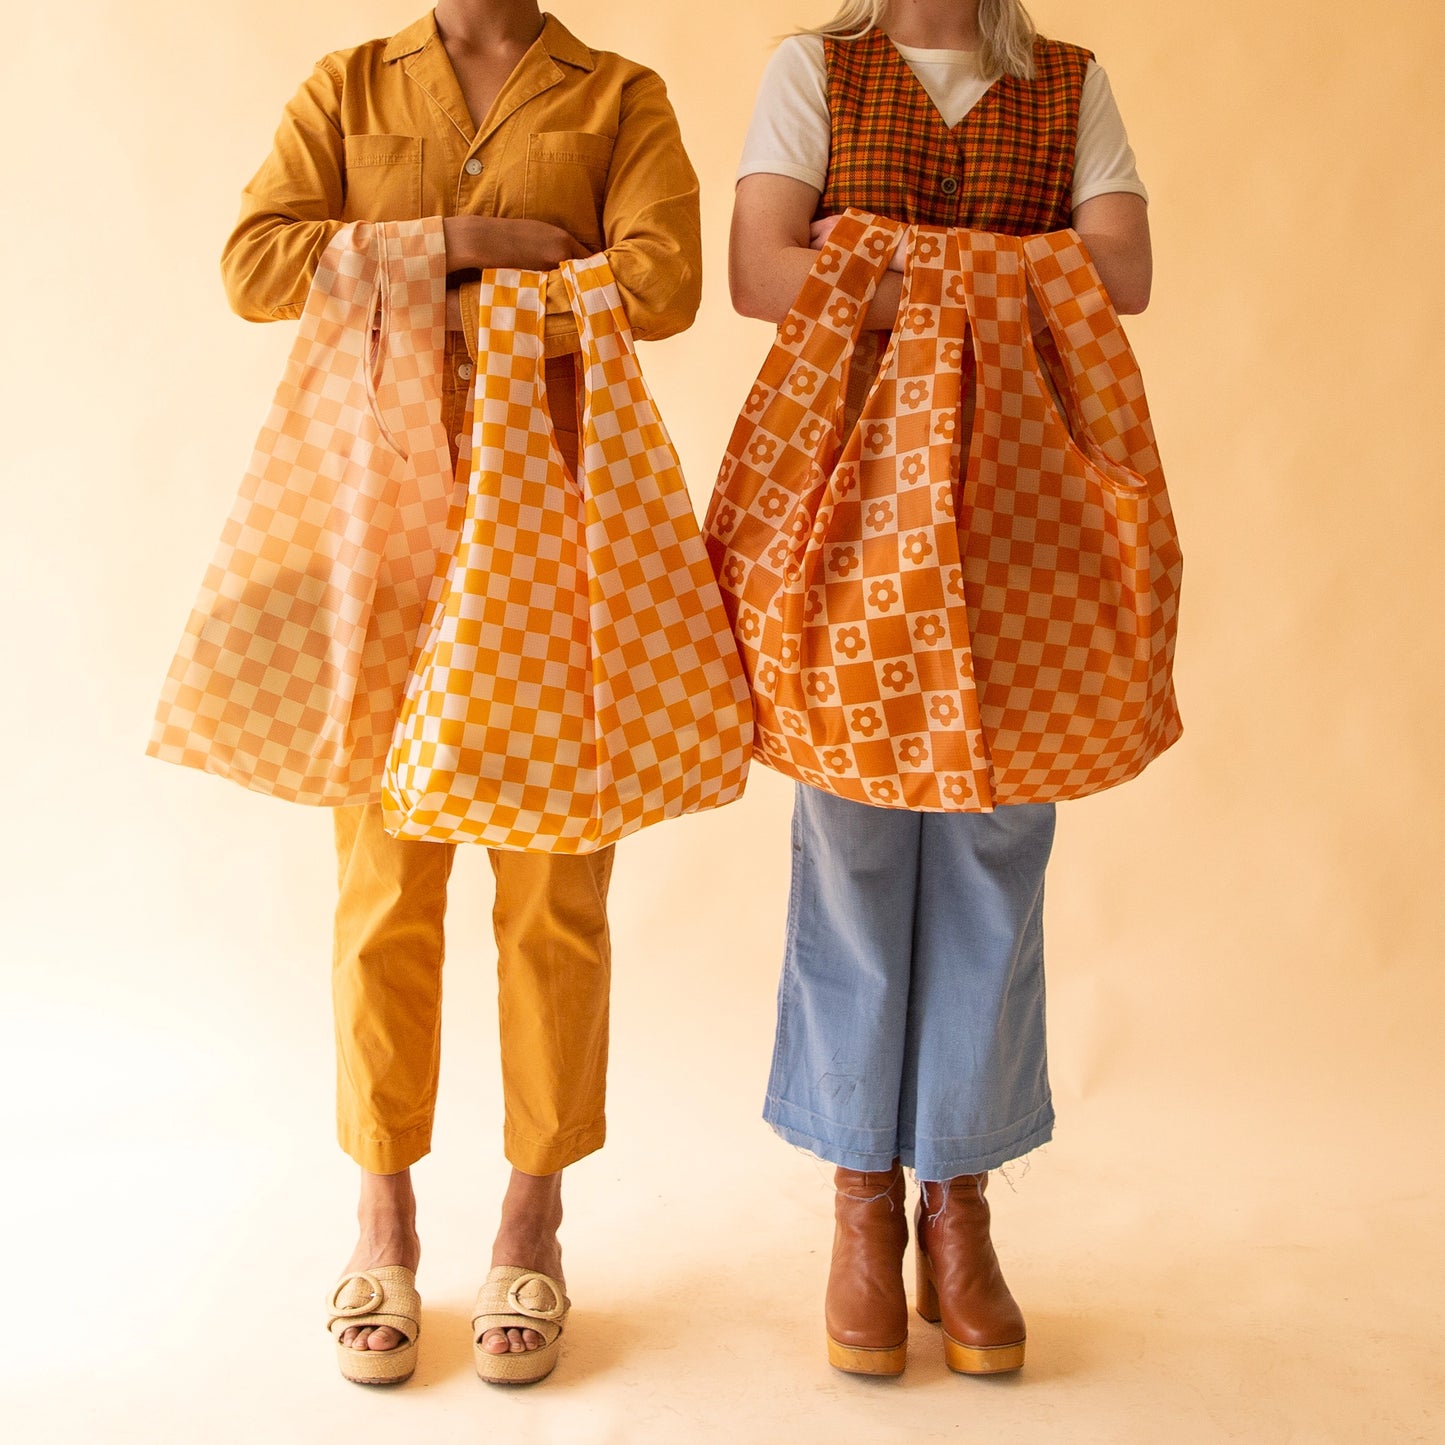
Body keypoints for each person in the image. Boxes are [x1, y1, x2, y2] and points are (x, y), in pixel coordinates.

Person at [221, 0, 701, 1386]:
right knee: (383, 881)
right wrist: (466, 246)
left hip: (553, 527)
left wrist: (387, 271)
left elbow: (663, 282)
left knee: (554, 886)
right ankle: (382, 1206)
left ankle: (533, 1212)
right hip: (379, 525)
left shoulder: (614, 94)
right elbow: (254, 263)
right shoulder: (349, 84)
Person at [728, 0, 1152, 1377]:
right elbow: (754, 268)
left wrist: (871, 257)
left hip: (1024, 505)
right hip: (846, 499)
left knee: (994, 837)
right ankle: (860, 1196)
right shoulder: (817, 71)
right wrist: (1013, 271)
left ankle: (954, 1200)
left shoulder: (1068, 84)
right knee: (851, 836)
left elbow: (1127, 268)